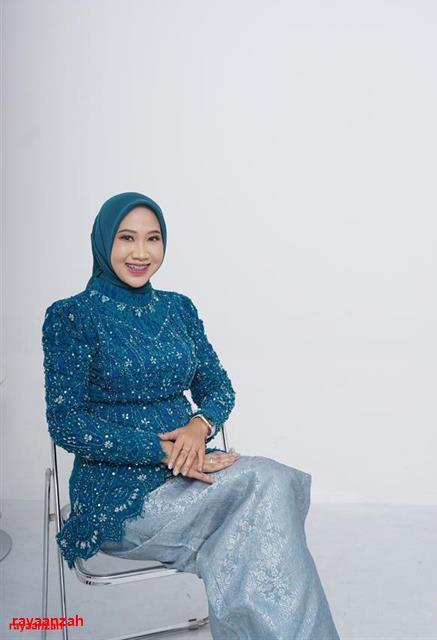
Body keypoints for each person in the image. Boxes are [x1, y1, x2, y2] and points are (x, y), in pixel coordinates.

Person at [42, 191, 341, 639]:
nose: (141, 253)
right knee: (264, 495)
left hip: (193, 475)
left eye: (153, 238)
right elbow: (66, 421)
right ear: (103, 241)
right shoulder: (71, 317)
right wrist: (163, 451)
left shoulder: (178, 309)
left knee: (271, 489)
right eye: (126, 238)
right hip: (119, 496)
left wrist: (198, 429)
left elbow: (218, 386)